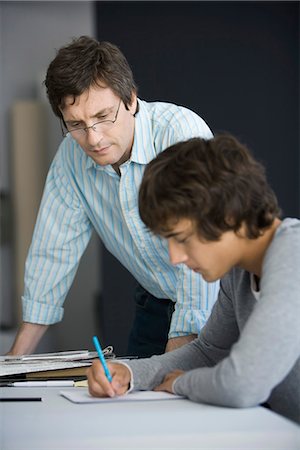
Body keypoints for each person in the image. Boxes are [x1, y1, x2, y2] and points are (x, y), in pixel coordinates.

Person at [8, 36, 219, 357]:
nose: (93, 138)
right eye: (76, 124)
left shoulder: (179, 132)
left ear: (131, 100)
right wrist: (15, 361)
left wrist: (177, 355)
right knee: (134, 404)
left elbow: (200, 241)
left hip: (219, 301)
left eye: (103, 116)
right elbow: (52, 254)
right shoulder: (71, 158)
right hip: (154, 304)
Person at [87, 134, 300, 424]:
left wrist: (179, 383)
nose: (175, 258)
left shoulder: (293, 256)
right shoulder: (239, 272)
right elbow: (208, 352)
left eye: (183, 239)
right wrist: (129, 372)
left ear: (229, 216)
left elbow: (242, 385)